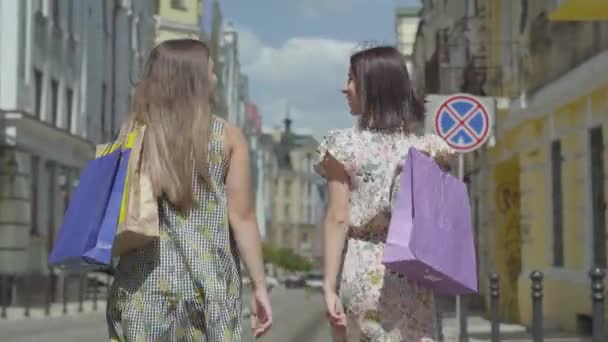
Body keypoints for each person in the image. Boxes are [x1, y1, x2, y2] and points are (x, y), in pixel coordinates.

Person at [106, 39, 272, 341]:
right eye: (210, 72)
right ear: (194, 80)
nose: (215, 79)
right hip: (208, 290)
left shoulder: (134, 131)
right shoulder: (227, 137)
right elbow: (243, 218)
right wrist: (259, 286)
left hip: (142, 287)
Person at [315, 46, 453, 341]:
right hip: (413, 271)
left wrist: (328, 285)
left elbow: (338, 218)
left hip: (363, 268)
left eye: (352, 79)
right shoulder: (428, 148)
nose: (345, 88)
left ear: (373, 87)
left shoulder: (343, 147)